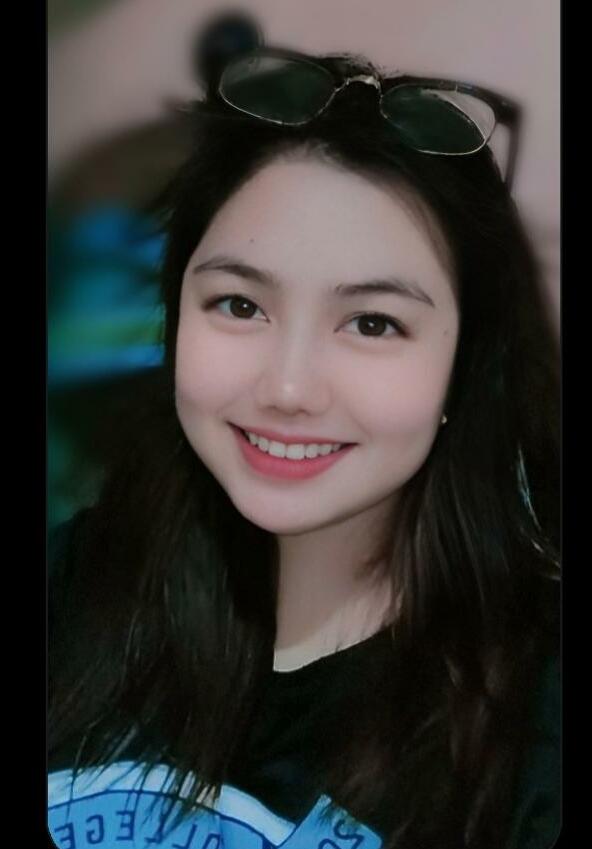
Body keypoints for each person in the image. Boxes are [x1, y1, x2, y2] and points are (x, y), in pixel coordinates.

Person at [48, 19, 560, 849]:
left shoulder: (532, 721)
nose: (287, 389)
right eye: (239, 304)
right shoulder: (71, 593)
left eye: (372, 322)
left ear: (464, 366)